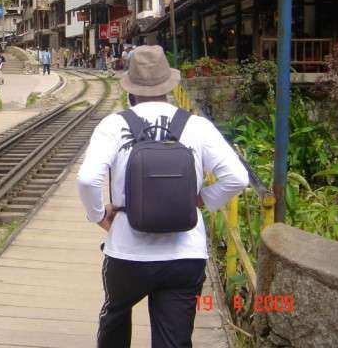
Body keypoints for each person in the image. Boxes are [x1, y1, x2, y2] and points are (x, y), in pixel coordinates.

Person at [77, 45, 248, 348]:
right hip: (185, 254)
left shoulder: (114, 125)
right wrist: (202, 200)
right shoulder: (196, 126)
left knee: (115, 316)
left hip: (127, 252)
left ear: (129, 89)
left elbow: (88, 178)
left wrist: (98, 215)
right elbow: (238, 178)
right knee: (175, 339)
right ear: (170, 86)